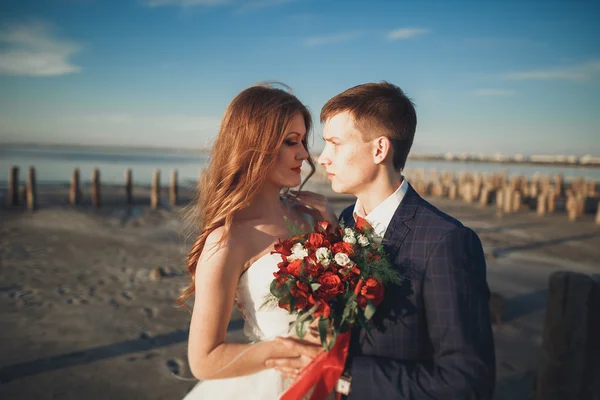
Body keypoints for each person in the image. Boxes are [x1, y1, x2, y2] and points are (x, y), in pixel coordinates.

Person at [268, 82, 496, 399]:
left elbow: (467, 382)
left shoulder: (446, 242)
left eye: (335, 143)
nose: (322, 158)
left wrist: (343, 372)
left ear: (379, 149)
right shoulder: (342, 221)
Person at [178, 83, 337, 400]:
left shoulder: (311, 216)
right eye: (291, 142)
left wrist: (330, 220)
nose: (304, 154)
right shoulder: (227, 240)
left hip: (335, 379)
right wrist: (279, 350)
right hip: (274, 387)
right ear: (255, 146)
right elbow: (203, 360)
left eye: (303, 141)